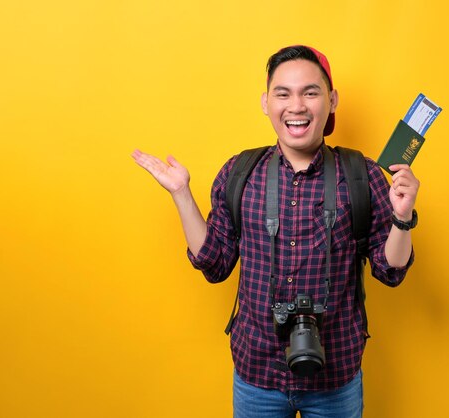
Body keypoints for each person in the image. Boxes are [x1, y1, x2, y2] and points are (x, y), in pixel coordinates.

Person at [132, 45, 420, 418]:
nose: (296, 106)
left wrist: (402, 217)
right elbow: (215, 264)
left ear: (332, 101)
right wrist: (181, 194)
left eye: (310, 92)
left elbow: (390, 271)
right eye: (283, 93)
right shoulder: (241, 173)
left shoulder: (361, 174)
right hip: (257, 372)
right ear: (266, 102)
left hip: (337, 374)